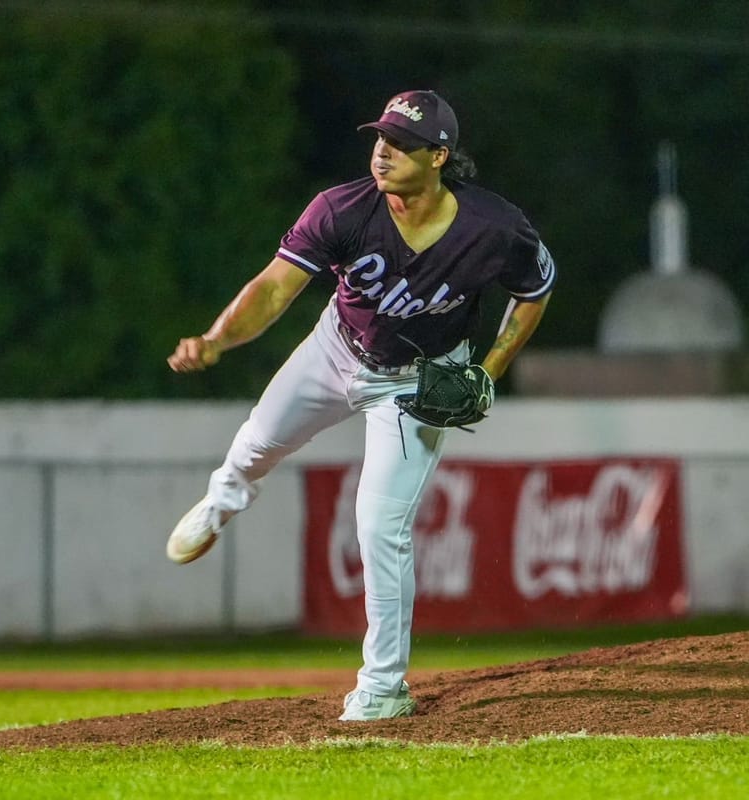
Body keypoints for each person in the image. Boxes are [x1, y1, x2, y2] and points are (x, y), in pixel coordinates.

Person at [164, 89, 556, 721]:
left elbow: (536, 288)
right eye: (381, 137)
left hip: (420, 380)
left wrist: (488, 370)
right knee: (255, 445)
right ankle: (221, 501)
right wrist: (216, 339)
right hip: (335, 348)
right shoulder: (341, 209)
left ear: (439, 157)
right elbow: (272, 288)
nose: (384, 151)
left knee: (379, 527)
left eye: (402, 143)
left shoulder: (494, 226)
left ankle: (382, 687)